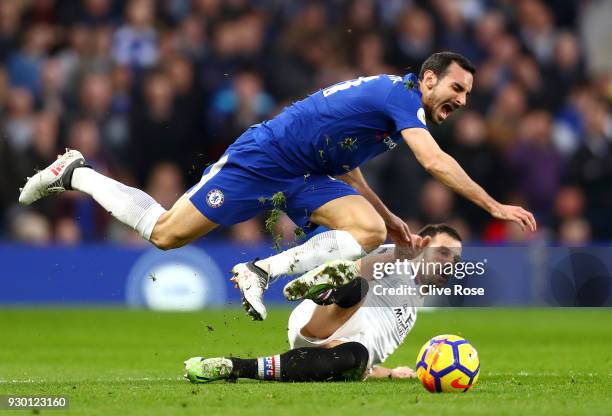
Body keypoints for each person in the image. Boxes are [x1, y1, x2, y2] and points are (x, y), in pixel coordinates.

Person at [18, 52, 536, 321]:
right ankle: (76, 172)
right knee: (166, 233)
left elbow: (347, 162)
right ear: (427, 79)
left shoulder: (395, 108)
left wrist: (390, 216)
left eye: (467, 93)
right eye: (456, 88)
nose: (462, 100)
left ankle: (260, 271)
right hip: (264, 158)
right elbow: (435, 163)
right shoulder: (398, 98)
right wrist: (493, 205)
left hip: (308, 175)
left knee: (370, 229)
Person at [184, 224, 462, 383]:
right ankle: (328, 290)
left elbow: (369, 363)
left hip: (330, 349)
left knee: (358, 359)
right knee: (357, 280)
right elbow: (365, 267)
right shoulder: (398, 260)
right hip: (324, 319)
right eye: (443, 252)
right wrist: (400, 254)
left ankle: (232, 366)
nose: (449, 263)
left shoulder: (414, 305)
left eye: (455, 260)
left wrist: (390, 373)